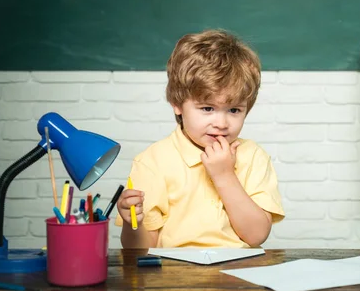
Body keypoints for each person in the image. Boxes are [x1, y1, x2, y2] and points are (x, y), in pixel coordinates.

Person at [115, 29, 284, 248]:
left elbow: (256, 235)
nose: (222, 123)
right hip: (176, 275)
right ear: (177, 104)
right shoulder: (153, 161)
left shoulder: (253, 156)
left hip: (238, 273)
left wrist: (224, 175)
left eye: (234, 110)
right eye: (207, 108)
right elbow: (141, 251)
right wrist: (132, 223)